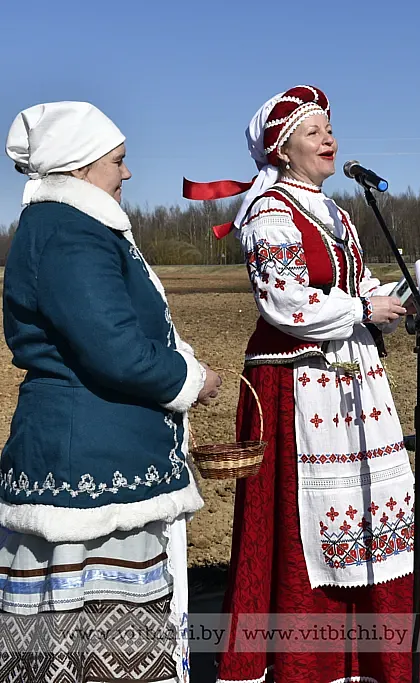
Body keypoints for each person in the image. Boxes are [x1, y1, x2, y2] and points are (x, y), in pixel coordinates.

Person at [183, 85, 420, 682]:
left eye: (330, 127)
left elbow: (348, 282)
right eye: (313, 131)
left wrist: (390, 299)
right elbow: (285, 300)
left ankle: (374, 657)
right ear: (282, 150)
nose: (329, 138)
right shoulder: (271, 213)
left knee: (369, 510)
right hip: (298, 385)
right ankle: (311, 659)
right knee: (309, 523)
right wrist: (362, 311)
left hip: (352, 380)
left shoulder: (335, 211)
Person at [0, 101, 219, 683]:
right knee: (100, 646)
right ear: (79, 167)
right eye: (119, 161)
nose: (127, 173)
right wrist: (194, 381)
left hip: (92, 451)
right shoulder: (71, 231)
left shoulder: (68, 227)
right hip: (88, 459)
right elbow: (113, 348)